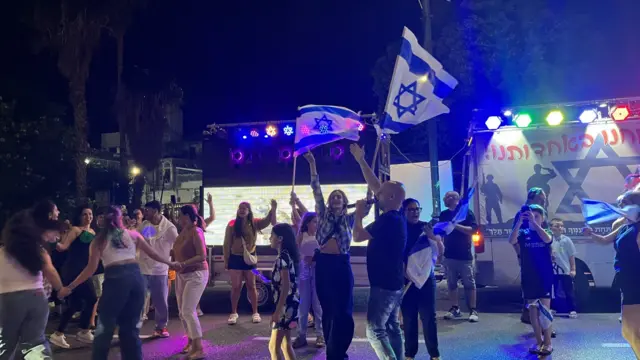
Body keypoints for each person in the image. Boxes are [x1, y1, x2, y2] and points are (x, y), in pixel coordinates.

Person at [58, 206, 176, 360]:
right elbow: (153, 253)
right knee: (130, 328)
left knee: (105, 326)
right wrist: (171, 263)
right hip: (136, 278)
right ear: (120, 219)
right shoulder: (133, 234)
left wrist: (70, 287)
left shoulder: (98, 240)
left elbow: (90, 269)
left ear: (102, 221)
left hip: (116, 279)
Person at [303, 149, 369, 360]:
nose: (336, 198)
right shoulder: (322, 213)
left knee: (345, 311)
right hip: (324, 265)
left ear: (344, 200)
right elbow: (316, 188)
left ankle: (340, 350)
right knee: (328, 310)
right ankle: (333, 352)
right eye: (334, 196)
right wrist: (312, 162)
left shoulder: (350, 219)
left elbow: (368, 205)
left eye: (339, 196)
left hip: (341, 264)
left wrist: (362, 161)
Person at [350, 143, 406, 360]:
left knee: (374, 330)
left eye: (380, 195)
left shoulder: (387, 220)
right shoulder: (397, 216)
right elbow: (377, 186)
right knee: (392, 326)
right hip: (394, 282)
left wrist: (358, 215)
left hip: (383, 285)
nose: (376, 196)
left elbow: (357, 236)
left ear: (390, 198)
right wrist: (361, 160)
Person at [0, 209, 66, 360]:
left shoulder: (2, 253)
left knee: (5, 342)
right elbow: (51, 271)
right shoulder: (38, 250)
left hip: (8, 301)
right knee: (35, 343)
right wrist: (61, 289)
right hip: (37, 298)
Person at [584, 191, 640, 357]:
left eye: (623, 204)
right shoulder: (624, 226)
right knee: (630, 330)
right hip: (626, 280)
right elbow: (604, 240)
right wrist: (591, 234)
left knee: (631, 330)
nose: (620, 208)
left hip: (636, 280)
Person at [50, 206, 99, 348]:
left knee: (75, 305)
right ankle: (84, 330)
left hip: (84, 270)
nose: (88, 217)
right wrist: (52, 241)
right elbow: (63, 247)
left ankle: (58, 334)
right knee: (92, 298)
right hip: (73, 270)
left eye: (90, 214)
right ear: (79, 216)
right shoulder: (76, 230)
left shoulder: (92, 232)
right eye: (84, 214)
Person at [509, 204, 554, 356]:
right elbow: (511, 240)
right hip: (529, 277)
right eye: (531, 216)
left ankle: (548, 343)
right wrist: (520, 222)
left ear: (542, 219)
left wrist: (535, 224)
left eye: (537, 217)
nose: (533, 219)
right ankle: (539, 342)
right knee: (533, 312)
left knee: (544, 312)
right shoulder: (523, 233)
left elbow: (548, 240)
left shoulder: (545, 231)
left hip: (544, 277)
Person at [401, 198, 442, 360]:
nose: (415, 212)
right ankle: (410, 354)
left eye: (417, 209)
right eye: (411, 209)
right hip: (407, 279)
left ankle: (434, 354)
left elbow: (440, 252)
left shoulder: (427, 228)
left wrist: (433, 237)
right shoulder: (400, 229)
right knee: (409, 318)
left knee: (429, 317)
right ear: (404, 211)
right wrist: (403, 271)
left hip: (426, 279)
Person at [223, 199, 276, 325]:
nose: (241, 210)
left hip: (250, 260)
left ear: (248, 211)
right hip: (235, 259)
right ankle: (233, 313)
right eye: (240, 208)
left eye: (244, 208)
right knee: (235, 287)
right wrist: (226, 260)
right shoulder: (232, 224)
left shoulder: (254, 223)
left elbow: (266, 222)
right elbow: (226, 243)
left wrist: (272, 210)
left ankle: (255, 312)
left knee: (251, 286)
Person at [173, 205, 210, 360]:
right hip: (182, 274)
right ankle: (191, 342)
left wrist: (183, 263)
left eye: (180, 215)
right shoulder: (184, 230)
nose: (178, 218)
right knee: (183, 312)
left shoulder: (196, 231)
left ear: (187, 216)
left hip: (196, 273)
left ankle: (199, 347)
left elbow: (202, 256)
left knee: (188, 310)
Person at [138, 200, 179, 337]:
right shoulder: (144, 225)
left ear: (156, 211)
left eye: (147, 211)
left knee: (160, 300)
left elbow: (178, 246)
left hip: (160, 269)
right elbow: (138, 241)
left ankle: (161, 327)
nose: (145, 213)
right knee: (138, 299)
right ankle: (134, 327)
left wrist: (175, 263)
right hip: (143, 268)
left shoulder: (169, 228)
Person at [440, 191, 479, 322]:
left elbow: (473, 230)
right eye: (446, 197)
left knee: (469, 283)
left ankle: (473, 310)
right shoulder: (444, 214)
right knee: (451, 283)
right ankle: (455, 308)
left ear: (456, 199)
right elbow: (441, 232)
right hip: (449, 254)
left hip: (464, 254)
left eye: (450, 197)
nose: (447, 199)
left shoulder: (466, 213)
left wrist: (455, 225)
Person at [268, 223, 301, 360]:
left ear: (280, 238)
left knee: (273, 347)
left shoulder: (283, 258)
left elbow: (285, 286)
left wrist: (277, 311)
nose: (270, 238)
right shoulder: (287, 256)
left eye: (272, 235)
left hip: (285, 307)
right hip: (290, 305)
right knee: (285, 344)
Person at [292, 211, 324, 349]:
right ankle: (301, 335)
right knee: (303, 305)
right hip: (304, 271)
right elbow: (296, 252)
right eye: (314, 222)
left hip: (318, 271)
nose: (316, 224)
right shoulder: (301, 236)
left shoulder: (321, 235)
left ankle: (320, 335)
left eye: (317, 222)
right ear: (308, 223)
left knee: (318, 304)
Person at [549, 218, 578, 318]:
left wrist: (573, 269)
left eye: (561, 226)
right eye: (557, 226)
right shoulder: (548, 239)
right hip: (552, 271)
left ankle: (572, 309)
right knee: (553, 291)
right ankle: (553, 308)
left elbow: (571, 256)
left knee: (568, 291)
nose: (560, 228)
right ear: (551, 227)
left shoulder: (566, 240)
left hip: (565, 270)